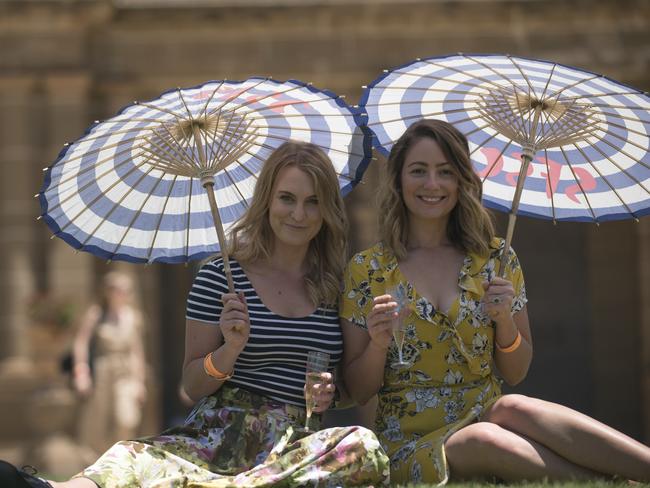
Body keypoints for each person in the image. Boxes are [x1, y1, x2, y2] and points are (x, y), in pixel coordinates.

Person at [0, 140, 389, 488]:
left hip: (295, 445)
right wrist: (229, 351)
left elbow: (353, 390)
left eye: (313, 201)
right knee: (135, 459)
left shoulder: (337, 287)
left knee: (362, 446)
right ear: (267, 199)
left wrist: (334, 387)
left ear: (328, 210)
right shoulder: (221, 277)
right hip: (216, 434)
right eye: (287, 198)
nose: (299, 214)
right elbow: (192, 385)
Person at [340, 118, 650, 484]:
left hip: (485, 414)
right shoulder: (369, 269)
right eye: (418, 171)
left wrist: (504, 321)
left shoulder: (495, 259)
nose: (432, 184)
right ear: (398, 180)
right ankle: (614, 485)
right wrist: (377, 345)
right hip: (409, 441)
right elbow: (359, 391)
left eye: (445, 171)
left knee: (513, 406)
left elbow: (516, 372)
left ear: (462, 180)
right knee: (481, 438)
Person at [70, 271, 147, 457]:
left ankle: (122, 457)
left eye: (124, 290)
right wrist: (81, 372)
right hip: (102, 371)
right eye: (115, 289)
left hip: (125, 373)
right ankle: (100, 461)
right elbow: (80, 343)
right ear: (107, 291)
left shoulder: (133, 317)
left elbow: (137, 352)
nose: (120, 293)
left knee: (126, 418)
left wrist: (140, 382)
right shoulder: (96, 314)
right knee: (98, 422)